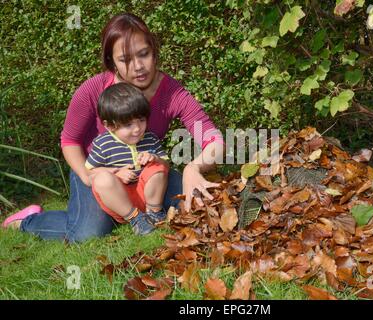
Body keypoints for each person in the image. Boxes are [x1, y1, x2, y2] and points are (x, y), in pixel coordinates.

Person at [2, 13, 224, 242]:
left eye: (144, 54)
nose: (138, 66)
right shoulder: (92, 90)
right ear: (112, 62)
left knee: (196, 203)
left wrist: (193, 167)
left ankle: (146, 210)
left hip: (145, 170)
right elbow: (69, 141)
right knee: (88, 233)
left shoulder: (172, 93)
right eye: (125, 59)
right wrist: (88, 177)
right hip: (99, 171)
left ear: (154, 51)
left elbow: (214, 140)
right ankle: (28, 220)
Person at [87, 82, 170, 235]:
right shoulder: (103, 143)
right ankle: (135, 218)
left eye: (141, 120)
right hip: (120, 199)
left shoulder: (150, 138)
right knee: (102, 179)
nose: (138, 129)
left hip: (147, 195)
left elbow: (166, 164)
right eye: (128, 124)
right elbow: (91, 173)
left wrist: (154, 158)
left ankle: (154, 213)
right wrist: (115, 172)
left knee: (158, 165)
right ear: (110, 126)